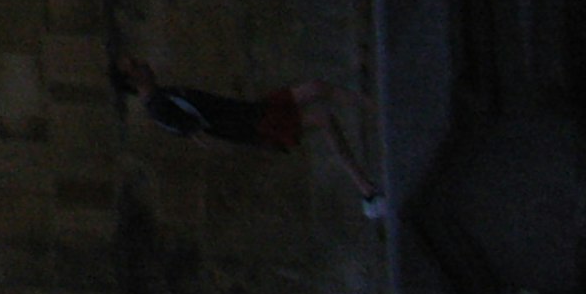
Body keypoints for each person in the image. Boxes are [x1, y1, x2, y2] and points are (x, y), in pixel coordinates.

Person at [114, 54, 387, 216]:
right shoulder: (160, 108)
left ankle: (379, 108)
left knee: (316, 88)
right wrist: (255, 145)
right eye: (135, 66)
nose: (143, 64)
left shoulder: (164, 93)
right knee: (323, 119)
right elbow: (202, 136)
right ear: (131, 80)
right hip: (251, 125)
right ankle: (367, 192)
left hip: (251, 111)